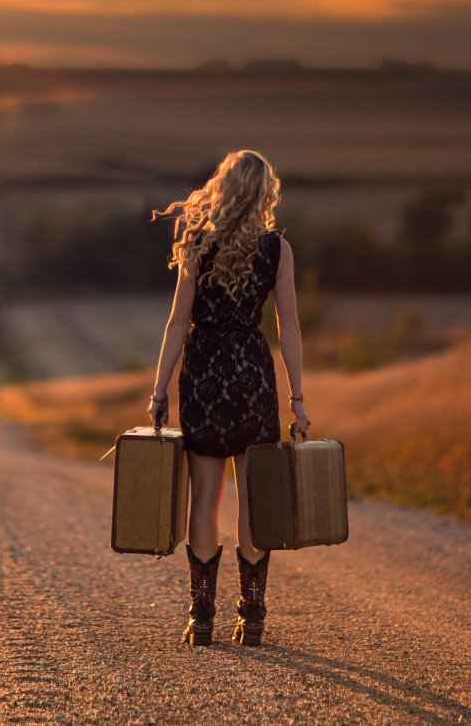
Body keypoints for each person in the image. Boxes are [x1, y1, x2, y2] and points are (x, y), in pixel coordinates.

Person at [148, 148, 311, 647]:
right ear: (264, 193)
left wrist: (158, 391)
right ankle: (252, 616)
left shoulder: (196, 243)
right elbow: (289, 330)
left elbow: (178, 323)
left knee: (205, 498)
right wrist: (298, 399)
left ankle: (201, 618)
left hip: (203, 375)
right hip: (252, 377)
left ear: (222, 187)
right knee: (251, 504)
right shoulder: (277, 250)